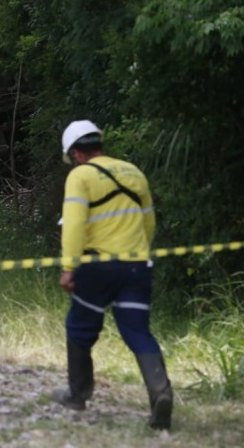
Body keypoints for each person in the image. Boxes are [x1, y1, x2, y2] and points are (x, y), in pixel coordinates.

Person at [54, 120, 172, 430]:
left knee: (80, 326)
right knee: (137, 331)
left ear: (77, 153)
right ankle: (161, 393)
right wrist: (138, 255)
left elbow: (75, 224)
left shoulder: (80, 176)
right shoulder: (134, 172)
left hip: (98, 267)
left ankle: (77, 394)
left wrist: (69, 267)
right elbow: (149, 224)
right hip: (137, 265)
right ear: (99, 144)